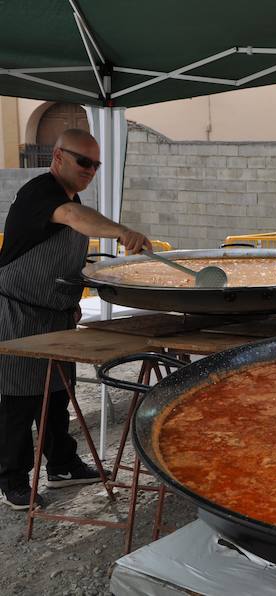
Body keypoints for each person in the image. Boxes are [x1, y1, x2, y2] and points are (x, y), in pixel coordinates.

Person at [0, 129, 152, 510]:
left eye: (95, 164)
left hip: (55, 312)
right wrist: (122, 232)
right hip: (17, 311)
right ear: (58, 157)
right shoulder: (41, 193)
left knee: (56, 391)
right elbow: (72, 217)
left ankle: (63, 464)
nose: (91, 169)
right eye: (84, 161)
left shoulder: (73, 196)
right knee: (19, 399)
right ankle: (11, 479)